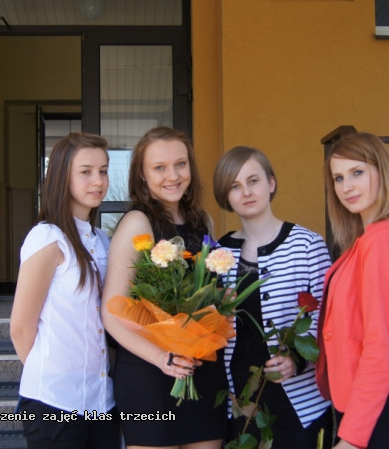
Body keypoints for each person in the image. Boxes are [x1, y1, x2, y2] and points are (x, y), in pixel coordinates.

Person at [100, 126, 226, 449]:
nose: (173, 175)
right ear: (142, 176)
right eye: (159, 167)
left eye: (180, 164)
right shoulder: (137, 223)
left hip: (200, 369)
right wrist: (162, 358)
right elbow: (111, 314)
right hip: (149, 373)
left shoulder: (203, 222)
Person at [212, 146, 333, 448]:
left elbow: (327, 321)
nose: (246, 192)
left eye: (253, 181)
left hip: (298, 403)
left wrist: (296, 361)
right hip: (239, 402)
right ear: (226, 196)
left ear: (271, 183)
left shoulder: (307, 245)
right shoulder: (218, 252)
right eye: (235, 186)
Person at [316, 132, 389, 449]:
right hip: (362, 412)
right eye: (339, 178)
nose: (346, 187)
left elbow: (380, 345)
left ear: (388, 173)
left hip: (374, 419)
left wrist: (351, 439)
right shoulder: (364, 242)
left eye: (357, 172)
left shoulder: (384, 240)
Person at [10, 132, 120, 449]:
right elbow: (21, 328)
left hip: (102, 400)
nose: (98, 181)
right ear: (62, 176)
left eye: (103, 171)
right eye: (86, 171)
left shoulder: (103, 240)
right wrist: (54, 375)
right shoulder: (48, 238)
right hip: (54, 403)